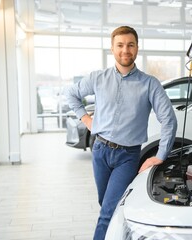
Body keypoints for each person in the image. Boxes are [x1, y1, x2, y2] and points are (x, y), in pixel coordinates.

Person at [64, 26, 177, 240]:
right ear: (112, 49)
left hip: (127, 156)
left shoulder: (150, 84)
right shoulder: (98, 78)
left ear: (137, 48)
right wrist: (86, 119)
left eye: (130, 45)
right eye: (120, 45)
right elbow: (71, 94)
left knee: (107, 212)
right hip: (99, 151)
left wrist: (160, 155)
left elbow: (169, 120)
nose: (125, 50)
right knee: (107, 206)